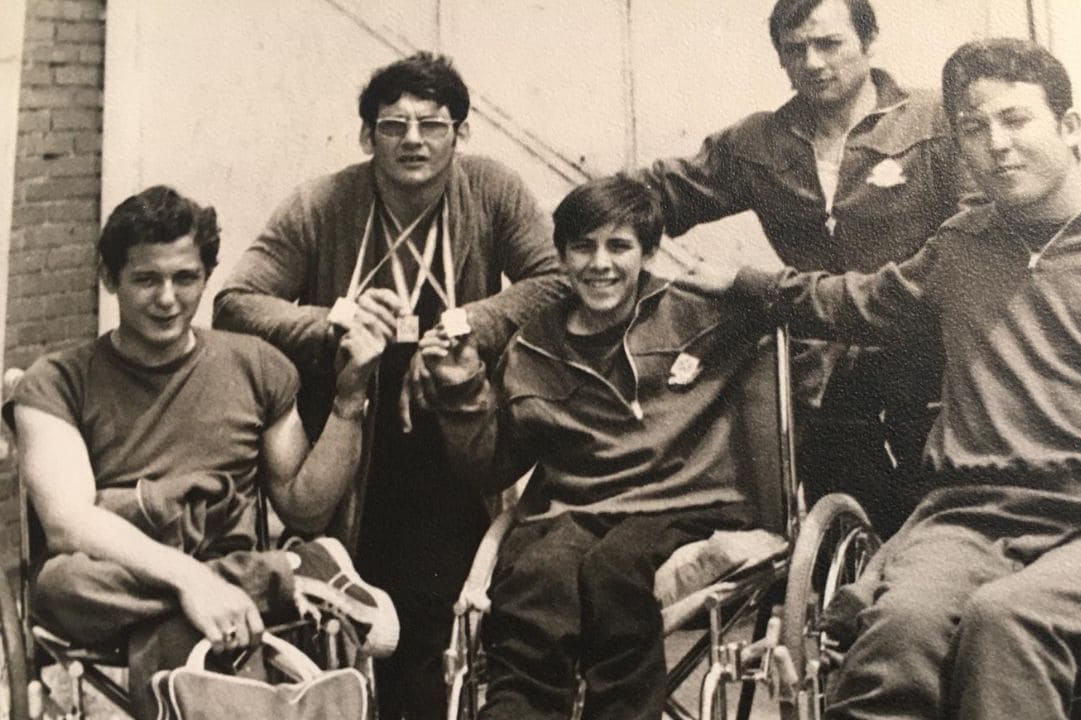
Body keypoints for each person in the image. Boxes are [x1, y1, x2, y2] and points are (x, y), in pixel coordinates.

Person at [673, 38, 1081, 718]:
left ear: (1069, 127)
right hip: (973, 518)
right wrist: (751, 283)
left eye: (1016, 119)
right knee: (899, 632)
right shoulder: (961, 246)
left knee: (1008, 621)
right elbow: (861, 300)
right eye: (974, 127)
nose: (997, 144)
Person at [212, 52, 567, 718]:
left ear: (460, 133)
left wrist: (472, 320)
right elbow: (235, 300)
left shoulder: (492, 189)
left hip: (453, 418)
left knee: (435, 608)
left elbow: (553, 280)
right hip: (350, 423)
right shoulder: (323, 201)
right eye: (392, 124)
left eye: (432, 125)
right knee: (350, 601)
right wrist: (334, 320)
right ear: (366, 134)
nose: (412, 140)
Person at [12, 186, 398, 718]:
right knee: (60, 584)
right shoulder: (56, 381)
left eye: (185, 278)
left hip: (206, 560)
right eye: (147, 279)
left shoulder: (255, 366)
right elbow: (68, 524)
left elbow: (305, 507)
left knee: (150, 616)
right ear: (109, 278)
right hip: (122, 564)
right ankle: (284, 575)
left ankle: (260, 594)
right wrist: (193, 583)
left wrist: (351, 396)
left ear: (206, 275)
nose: (168, 298)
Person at [420, 175, 761, 720]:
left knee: (615, 572)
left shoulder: (696, 310)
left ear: (648, 253)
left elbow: (796, 324)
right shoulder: (532, 346)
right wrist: (461, 386)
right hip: (577, 512)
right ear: (560, 256)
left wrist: (749, 282)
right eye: (582, 247)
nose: (599, 263)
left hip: (685, 502)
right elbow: (494, 468)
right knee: (533, 579)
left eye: (619, 246)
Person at [642, 0, 970, 534]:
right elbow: (655, 195)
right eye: (795, 49)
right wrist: (578, 243)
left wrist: (757, 285)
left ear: (868, 41)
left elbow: (957, 264)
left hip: (936, 379)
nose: (813, 63)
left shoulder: (936, 123)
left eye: (830, 44)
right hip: (826, 391)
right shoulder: (758, 143)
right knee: (843, 541)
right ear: (780, 58)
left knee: (937, 538)